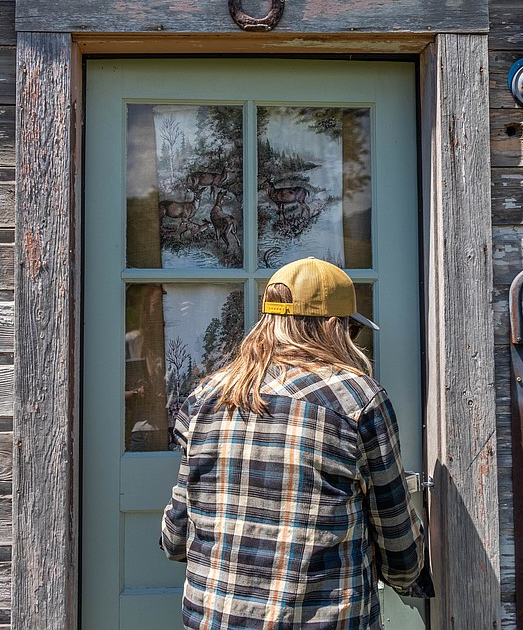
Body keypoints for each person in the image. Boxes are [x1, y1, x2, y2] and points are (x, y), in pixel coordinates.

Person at [160, 256, 425, 629]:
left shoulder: (205, 397)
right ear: (333, 327)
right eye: (351, 330)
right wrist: (409, 575)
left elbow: (176, 536)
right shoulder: (357, 400)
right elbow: (398, 545)